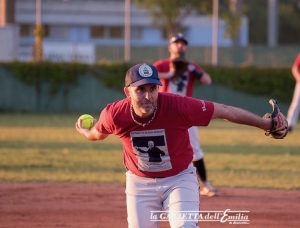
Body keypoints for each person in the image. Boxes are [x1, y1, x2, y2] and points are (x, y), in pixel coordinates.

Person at [75, 63, 287, 228]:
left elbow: (224, 111)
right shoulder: (114, 114)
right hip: (139, 184)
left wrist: (267, 123)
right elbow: (96, 134)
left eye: (152, 88)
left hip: (179, 179)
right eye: (140, 90)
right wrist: (85, 132)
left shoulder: (178, 106)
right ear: (127, 91)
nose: (148, 96)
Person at [153, 33, 217, 197]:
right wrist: (169, 75)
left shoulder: (191, 66)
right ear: (170, 47)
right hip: (163, 111)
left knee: (195, 148)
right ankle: (158, 184)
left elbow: (207, 80)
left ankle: (205, 184)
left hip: (186, 112)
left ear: (186, 47)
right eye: (176, 43)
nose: (180, 46)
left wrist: (192, 69)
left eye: (183, 43)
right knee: (160, 146)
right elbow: (148, 77)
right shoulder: (162, 65)